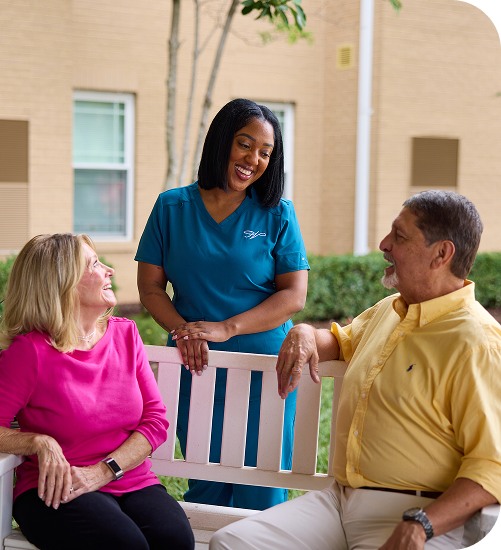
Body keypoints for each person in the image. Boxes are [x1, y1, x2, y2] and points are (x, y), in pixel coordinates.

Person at [210, 190, 501, 550]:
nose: (384, 244)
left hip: (418, 515)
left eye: (399, 236)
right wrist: (302, 331)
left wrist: (421, 524)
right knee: (231, 543)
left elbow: (493, 466)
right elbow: (337, 341)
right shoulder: (390, 310)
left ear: (441, 254)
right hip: (339, 502)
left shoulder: (478, 343)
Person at [0, 234, 194, 550]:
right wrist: (37, 441)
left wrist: (103, 471)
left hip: (128, 479)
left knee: (175, 540)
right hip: (56, 488)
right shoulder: (29, 353)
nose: (109, 270)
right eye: (95, 264)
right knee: (125, 544)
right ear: (63, 284)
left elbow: (154, 422)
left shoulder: (126, 334)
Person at [135, 98, 309, 510]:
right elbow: (150, 288)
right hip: (197, 367)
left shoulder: (277, 213)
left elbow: (293, 295)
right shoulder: (171, 207)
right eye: (245, 145)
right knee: (205, 490)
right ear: (220, 142)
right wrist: (184, 330)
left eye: (266, 153)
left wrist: (226, 327)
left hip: (265, 371)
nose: (254, 159)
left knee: (262, 493)